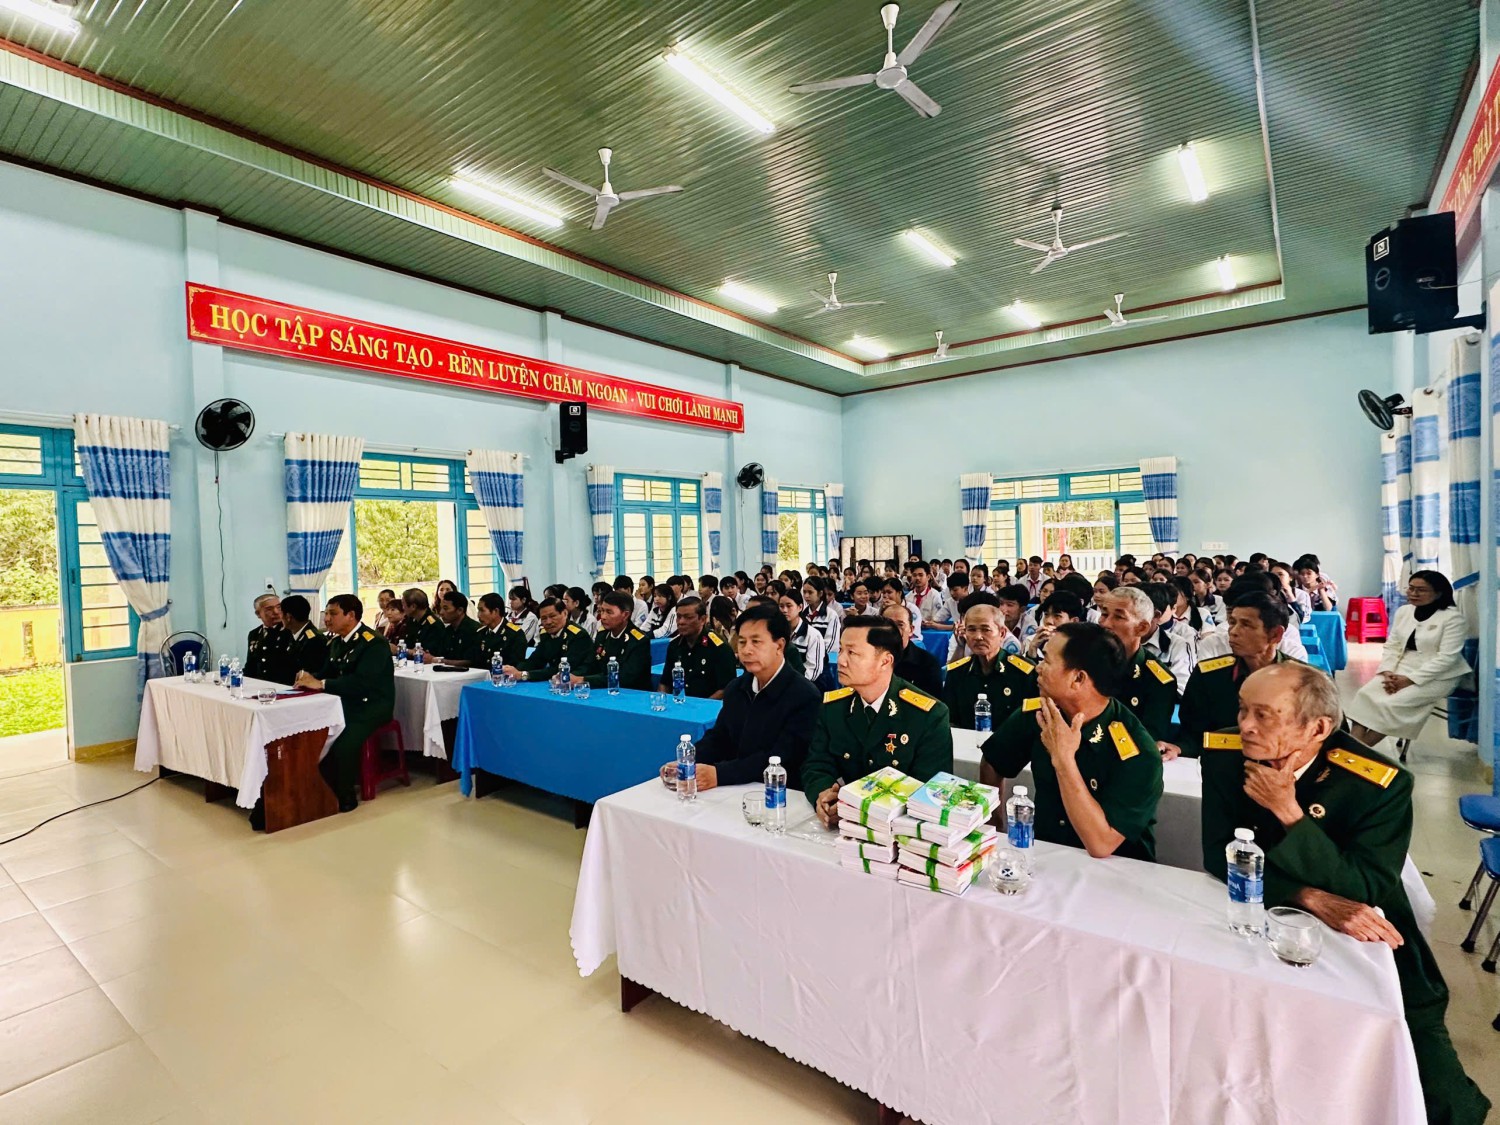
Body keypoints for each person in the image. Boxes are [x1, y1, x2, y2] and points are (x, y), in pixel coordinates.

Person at [1198, 663, 1489, 1125]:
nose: (1246, 726)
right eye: (1242, 709)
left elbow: (1365, 889)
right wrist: (1308, 896)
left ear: (1317, 728)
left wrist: (1289, 812)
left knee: (1428, 1076)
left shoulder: (1378, 783)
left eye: (1264, 715)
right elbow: (1219, 854)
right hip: (1269, 920)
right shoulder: (1224, 752)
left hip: (1368, 932)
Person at [981, 622, 1163, 861]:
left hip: (1118, 869)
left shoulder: (1138, 751)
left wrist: (1064, 759)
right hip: (1046, 856)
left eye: (1047, 661)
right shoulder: (1040, 714)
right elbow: (994, 760)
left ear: (1078, 678)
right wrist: (995, 824)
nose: (1038, 668)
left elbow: (1101, 844)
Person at [803, 616, 954, 826]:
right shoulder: (834, 707)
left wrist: (860, 809)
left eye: (852, 653)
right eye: (841, 650)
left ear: (885, 661)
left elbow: (930, 791)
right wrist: (825, 794)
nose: (841, 660)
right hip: (843, 824)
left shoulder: (928, 715)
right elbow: (816, 765)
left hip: (899, 828)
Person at [666, 605, 822, 793]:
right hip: (734, 787)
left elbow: (783, 757)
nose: (746, 650)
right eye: (742, 642)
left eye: (756, 642)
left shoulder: (804, 695)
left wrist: (719, 774)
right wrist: (687, 761)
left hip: (779, 793)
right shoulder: (736, 688)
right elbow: (719, 737)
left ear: (779, 645)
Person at [294, 594, 394, 815]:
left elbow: (362, 683)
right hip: (342, 703)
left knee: (343, 743)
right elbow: (327, 672)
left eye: (333, 614)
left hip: (371, 706)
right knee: (309, 733)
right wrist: (308, 678)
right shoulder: (336, 642)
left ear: (351, 615)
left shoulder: (373, 643)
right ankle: (310, 787)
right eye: (327, 613)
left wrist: (321, 683)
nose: (327, 619)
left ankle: (344, 795)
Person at [1346, 571, 1471, 747]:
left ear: (1439, 593)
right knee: (1365, 695)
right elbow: (1393, 645)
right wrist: (1388, 671)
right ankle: (1352, 748)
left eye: (1421, 590)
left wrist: (1409, 680)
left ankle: (1357, 753)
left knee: (1393, 705)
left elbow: (1447, 658)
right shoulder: (1404, 611)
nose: (1413, 593)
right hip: (1401, 667)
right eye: (1411, 588)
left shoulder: (1453, 619)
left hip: (1439, 676)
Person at [1174, 593, 1292, 759]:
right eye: (1232, 622)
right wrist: (1180, 748)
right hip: (1219, 762)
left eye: (1246, 625)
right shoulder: (1209, 675)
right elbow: (1192, 734)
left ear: (1275, 635)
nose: (1233, 632)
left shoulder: (1302, 681)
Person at [1095, 586, 1178, 742]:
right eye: (1104, 614)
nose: (1105, 623)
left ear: (1142, 628)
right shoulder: (1082, 661)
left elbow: (1148, 739)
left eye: (1118, 617)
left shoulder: (1157, 679)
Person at [943, 603, 1037, 730]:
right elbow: (950, 721)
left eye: (986, 629)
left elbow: (1032, 722)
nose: (978, 637)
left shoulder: (1023, 673)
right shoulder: (957, 673)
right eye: (971, 630)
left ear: (1002, 633)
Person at [573, 592, 653, 691]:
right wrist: (571, 675)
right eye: (602, 611)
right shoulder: (602, 635)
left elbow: (625, 678)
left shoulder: (639, 641)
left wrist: (583, 680)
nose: (603, 617)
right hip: (604, 690)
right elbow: (590, 664)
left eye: (609, 612)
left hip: (631, 694)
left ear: (625, 615)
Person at [658, 596, 735, 698]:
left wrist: (702, 705)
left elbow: (725, 689)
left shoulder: (719, 647)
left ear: (702, 619)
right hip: (678, 703)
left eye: (688, 617)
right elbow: (665, 683)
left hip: (708, 705)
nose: (681, 622)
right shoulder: (674, 645)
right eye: (678, 617)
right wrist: (663, 701)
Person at [503, 597, 594, 683]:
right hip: (556, 681)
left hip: (577, 684)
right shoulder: (545, 634)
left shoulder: (578, 635)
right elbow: (535, 660)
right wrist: (514, 671)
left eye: (552, 616)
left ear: (565, 613)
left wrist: (524, 675)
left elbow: (562, 669)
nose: (548, 622)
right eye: (544, 618)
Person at [882, 602, 943, 699]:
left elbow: (933, 704)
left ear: (911, 630)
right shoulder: (869, 659)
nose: (894, 629)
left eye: (900, 625)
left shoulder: (928, 663)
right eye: (888, 624)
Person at [243, 593, 293, 684]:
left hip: (283, 685)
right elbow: (250, 666)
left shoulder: (290, 631)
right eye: (269, 609)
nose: (276, 612)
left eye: (279, 607)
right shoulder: (254, 634)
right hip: (259, 684)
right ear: (258, 614)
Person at [1023, 591, 1086, 660]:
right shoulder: (1032, 641)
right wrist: (1032, 651)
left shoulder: (1083, 650)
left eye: (1057, 616)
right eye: (1046, 614)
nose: (1048, 621)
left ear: (1074, 621)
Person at [780, 591, 827, 683]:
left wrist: (792, 683)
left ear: (800, 607)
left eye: (789, 606)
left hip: (803, 685)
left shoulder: (813, 635)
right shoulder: (775, 632)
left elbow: (813, 671)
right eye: (781, 606)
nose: (784, 610)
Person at [279, 594, 328, 680]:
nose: (280, 618)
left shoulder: (315, 640)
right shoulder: (290, 635)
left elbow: (314, 673)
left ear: (288, 617)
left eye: (281, 613)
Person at [431, 589, 484, 666]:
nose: (441, 612)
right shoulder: (447, 631)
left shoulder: (475, 630)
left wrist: (438, 661)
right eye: (441, 608)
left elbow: (471, 662)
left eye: (446, 608)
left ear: (460, 610)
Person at [475, 592, 528, 666]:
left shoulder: (515, 634)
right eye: (478, 610)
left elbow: (516, 665)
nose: (478, 615)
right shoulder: (480, 633)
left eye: (482, 610)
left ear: (495, 611)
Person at [397, 588, 445, 656]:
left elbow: (429, 652)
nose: (402, 608)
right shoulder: (411, 620)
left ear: (413, 607)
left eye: (403, 604)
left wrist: (403, 650)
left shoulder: (433, 625)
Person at [907, 560, 952, 633]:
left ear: (928, 577)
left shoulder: (935, 595)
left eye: (921, 575)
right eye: (914, 575)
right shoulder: (908, 597)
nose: (917, 578)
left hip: (930, 631)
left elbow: (937, 619)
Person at [802, 577, 843, 653]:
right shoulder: (802, 614)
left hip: (824, 657)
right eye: (804, 592)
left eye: (810, 592)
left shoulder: (831, 615)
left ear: (820, 593)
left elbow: (831, 644)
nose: (806, 596)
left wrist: (813, 654)